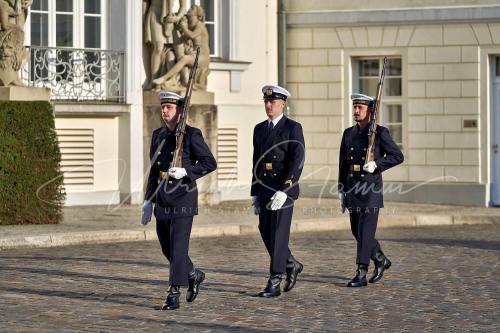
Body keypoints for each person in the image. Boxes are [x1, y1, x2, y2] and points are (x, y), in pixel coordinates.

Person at [141, 91, 217, 310]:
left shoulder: (192, 134)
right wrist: (148, 200)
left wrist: (185, 171)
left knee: (178, 246)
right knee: (168, 247)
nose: (164, 111)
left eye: (169, 107)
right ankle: (193, 273)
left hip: (183, 198)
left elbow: (209, 163)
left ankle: (173, 292)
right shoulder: (157, 135)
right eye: (163, 107)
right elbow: (154, 170)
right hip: (163, 198)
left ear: (180, 111)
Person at [338, 93, 404, 287]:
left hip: (370, 190)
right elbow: (343, 163)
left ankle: (361, 272)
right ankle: (381, 259)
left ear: (370, 111)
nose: (356, 111)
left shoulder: (380, 132)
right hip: (352, 189)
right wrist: (341, 189)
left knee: (365, 232)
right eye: (354, 107)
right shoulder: (348, 133)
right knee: (357, 232)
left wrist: (377, 164)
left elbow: (397, 156)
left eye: (360, 107)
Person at [251, 84, 305, 298]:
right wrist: (254, 191)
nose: (268, 105)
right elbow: (256, 162)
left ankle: (275, 278)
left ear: (283, 104)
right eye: (266, 101)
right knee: (265, 230)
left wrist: (286, 189)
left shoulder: (293, 128)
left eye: (272, 102)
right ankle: (291, 263)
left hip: (284, 190)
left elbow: (297, 160)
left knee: (278, 233)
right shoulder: (259, 129)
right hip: (265, 188)